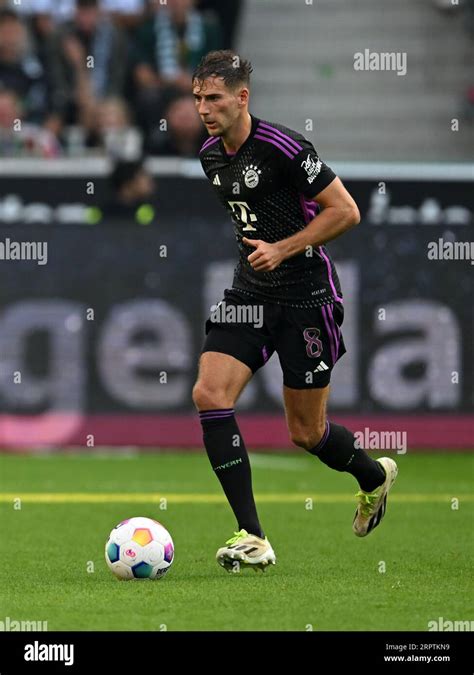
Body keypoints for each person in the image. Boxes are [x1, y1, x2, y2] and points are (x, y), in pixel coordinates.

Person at [191, 50, 398, 573]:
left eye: (213, 98)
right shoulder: (211, 156)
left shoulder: (283, 147)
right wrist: (262, 260)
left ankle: (373, 477)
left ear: (242, 98)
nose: (203, 108)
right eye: (197, 98)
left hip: (307, 299)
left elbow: (345, 211)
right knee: (209, 393)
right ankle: (252, 535)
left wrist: (283, 248)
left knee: (307, 434)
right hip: (249, 294)